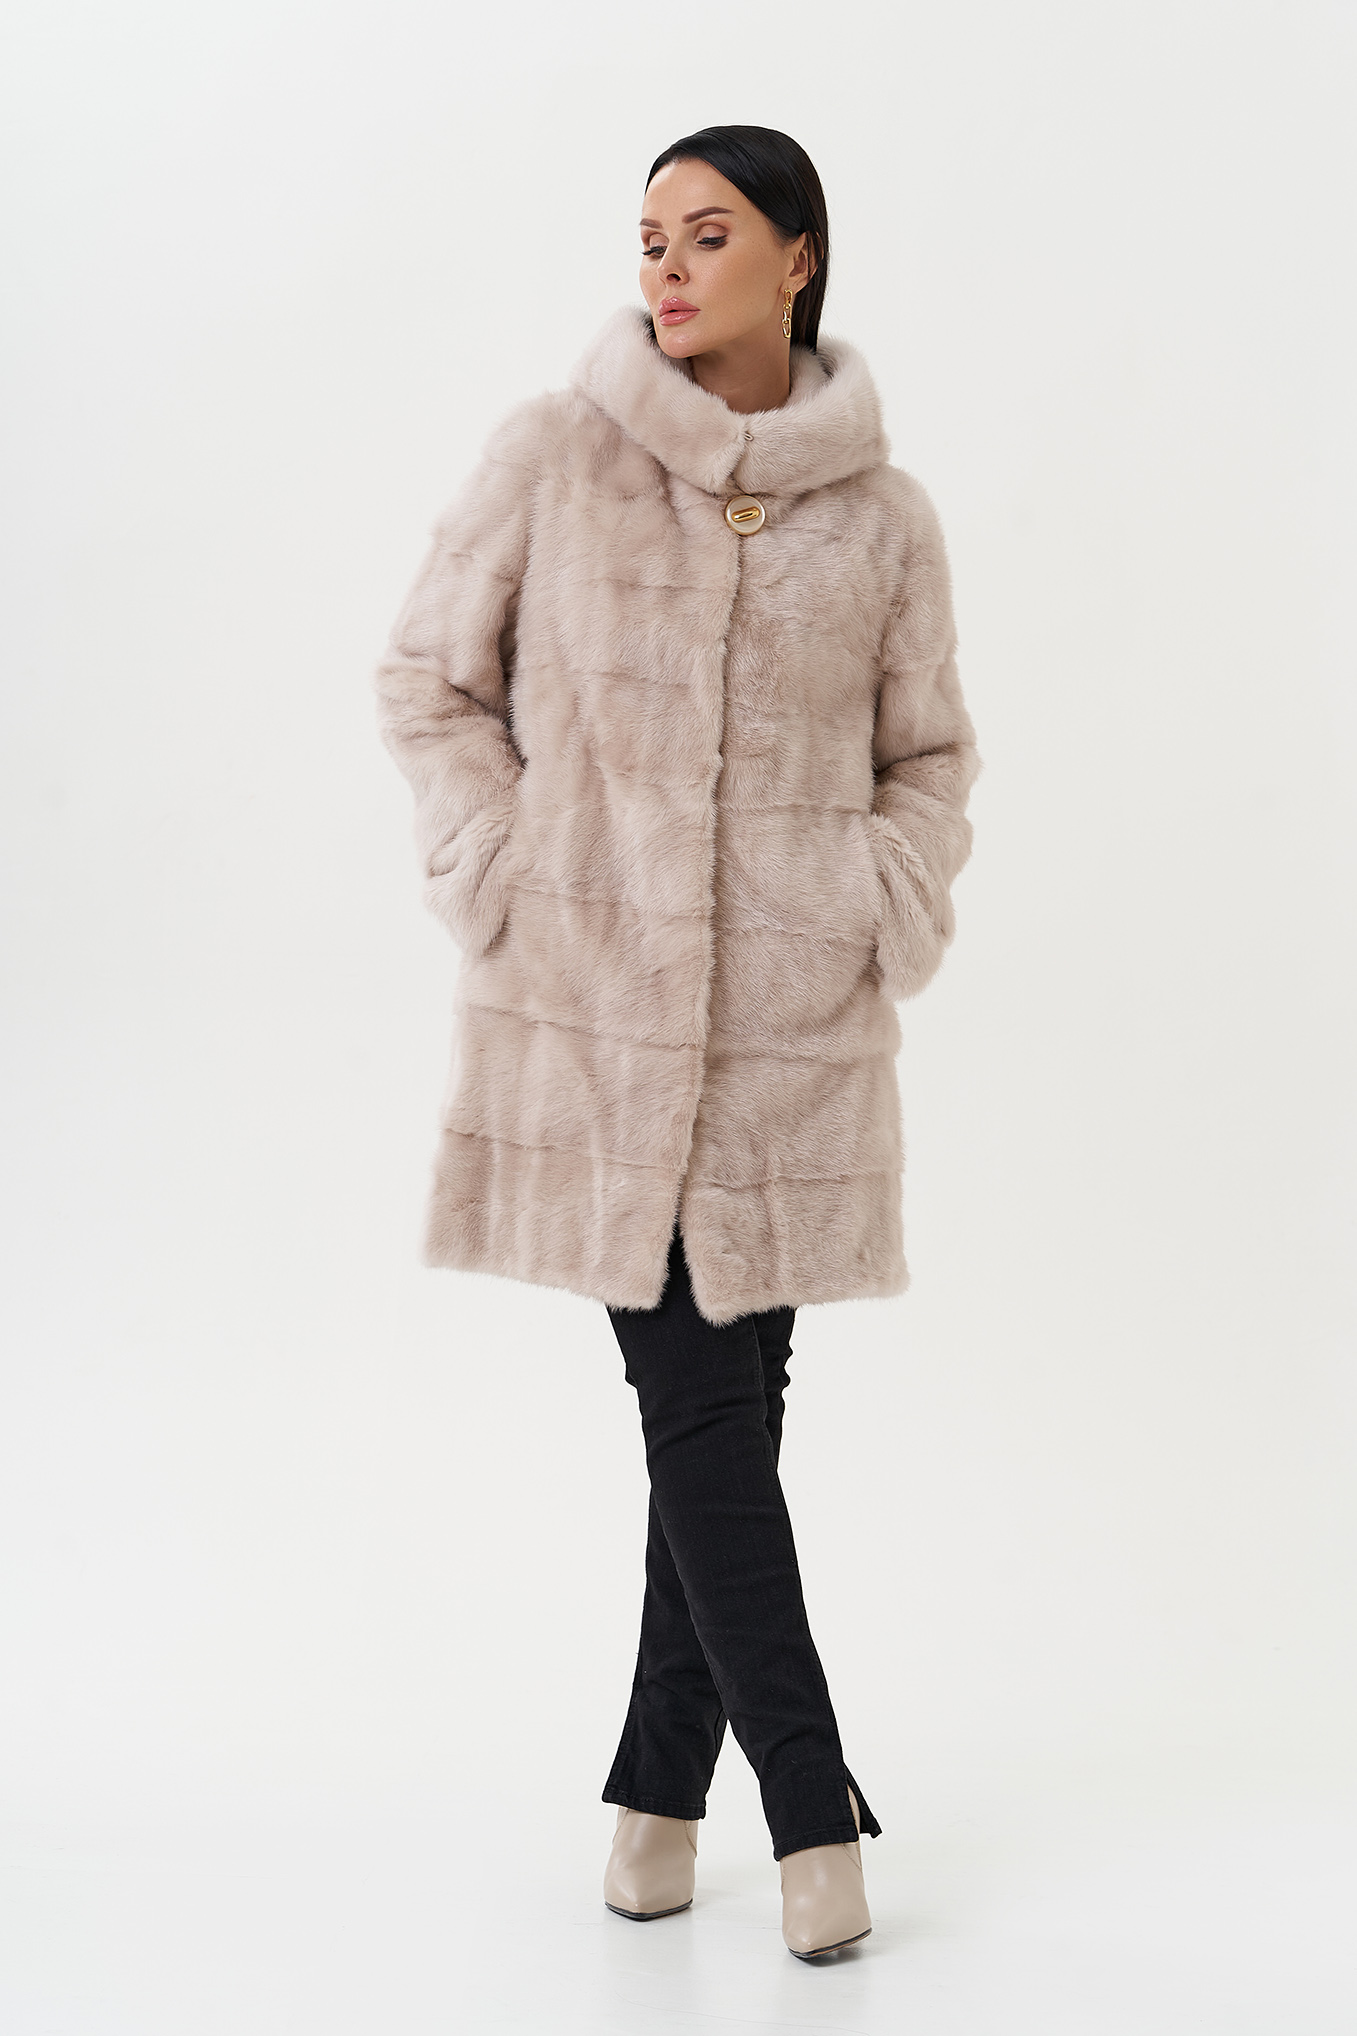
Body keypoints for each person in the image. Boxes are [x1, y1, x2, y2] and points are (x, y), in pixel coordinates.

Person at [373, 124, 981, 1960]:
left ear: (797, 257)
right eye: (646, 236)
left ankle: (653, 1806)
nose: (664, 266)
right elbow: (427, 679)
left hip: (792, 1045)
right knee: (706, 1416)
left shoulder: (881, 518)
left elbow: (927, 760)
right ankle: (811, 1805)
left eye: (706, 235)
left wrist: (875, 894)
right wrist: (504, 865)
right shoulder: (554, 457)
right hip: (598, 1025)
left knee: (722, 1421)